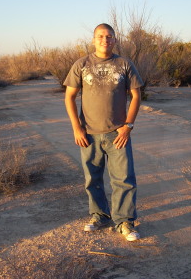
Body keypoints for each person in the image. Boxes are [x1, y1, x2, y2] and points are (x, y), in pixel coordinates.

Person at [63, 23, 144, 241]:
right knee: (92, 178)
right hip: (88, 134)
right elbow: (69, 97)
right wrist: (77, 128)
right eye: (100, 36)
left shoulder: (124, 64)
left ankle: (125, 222)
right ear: (93, 40)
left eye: (109, 36)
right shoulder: (81, 65)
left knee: (124, 179)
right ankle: (100, 215)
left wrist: (128, 126)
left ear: (115, 40)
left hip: (118, 134)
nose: (104, 40)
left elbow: (136, 96)